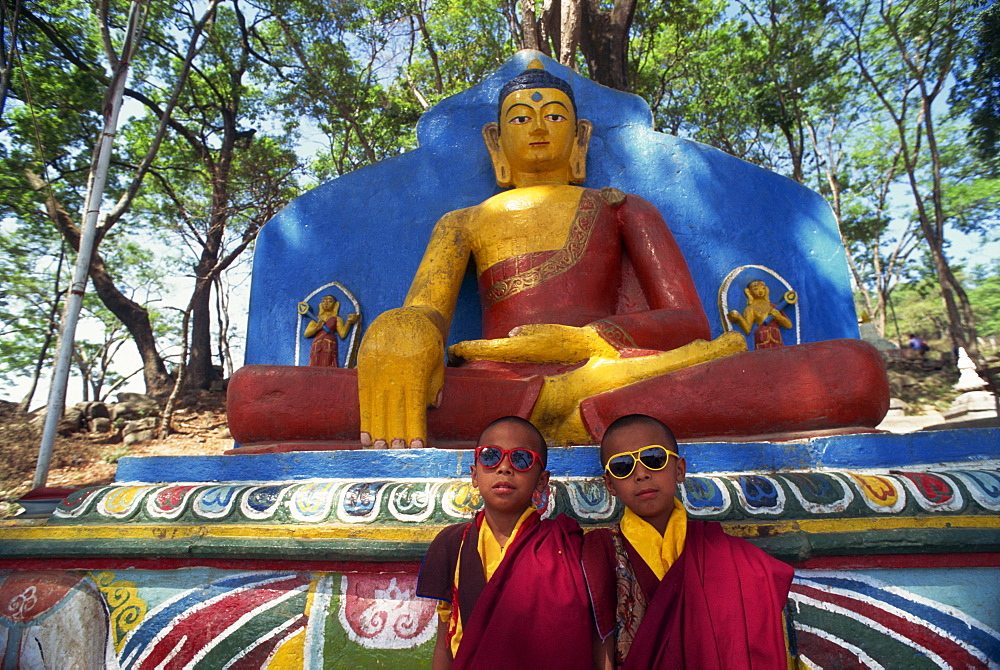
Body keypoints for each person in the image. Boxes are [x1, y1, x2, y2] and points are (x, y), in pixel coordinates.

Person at [584, 414, 794, 669]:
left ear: (680, 469)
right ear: (610, 484)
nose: (640, 474)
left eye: (654, 459)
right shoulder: (600, 552)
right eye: (622, 466)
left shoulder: (729, 557)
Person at [416, 416, 597, 668]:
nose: (504, 468)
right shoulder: (452, 542)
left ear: (542, 481)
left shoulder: (564, 547)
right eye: (490, 457)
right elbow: (445, 639)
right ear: (474, 475)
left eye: (520, 459)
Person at [727, 279, 792, 349]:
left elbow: (789, 325)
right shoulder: (750, 309)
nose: (760, 291)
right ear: (749, 292)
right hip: (762, 336)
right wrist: (739, 318)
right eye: (756, 289)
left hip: (775, 335)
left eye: (763, 288)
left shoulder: (774, 307)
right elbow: (747, 329)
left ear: (766, 290)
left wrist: (779, 317)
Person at [303, 295, 358, 367]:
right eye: (324, 301)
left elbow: (343, 334)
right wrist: (317, 328)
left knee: (327, 362)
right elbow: (306, 334)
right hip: (317, 343)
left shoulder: (337, 318)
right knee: (315, 361)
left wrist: (348, 322)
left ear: (335, 304)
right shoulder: (316, 319)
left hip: (329, 343)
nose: (326, 303)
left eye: (330, 301)